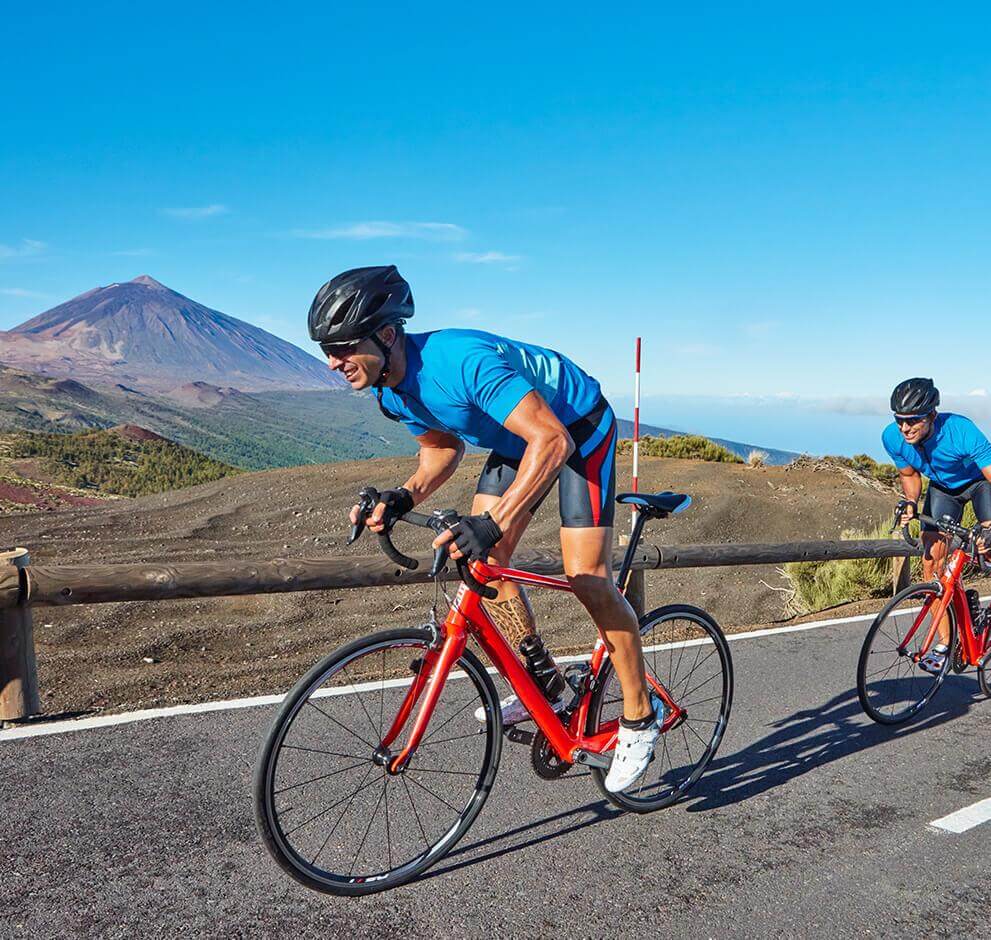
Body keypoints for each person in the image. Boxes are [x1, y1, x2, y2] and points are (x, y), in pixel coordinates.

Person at [309, 264, 662, 792]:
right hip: (519, 437)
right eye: (325, 351)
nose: (333, 362)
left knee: (586, 576)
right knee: (483, 563)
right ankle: (546, 682)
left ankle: (639, 715)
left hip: (577, 429)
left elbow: (553, 442)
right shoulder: (388, 389)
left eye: (341, 348)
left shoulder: (460, 362)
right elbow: (442, 449)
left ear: (385, 335)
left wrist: (494, 521)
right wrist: (404, 494)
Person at [882, 377, 991, 673]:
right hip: (943, 489)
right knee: (932, 566)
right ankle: (946, 643)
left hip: (981, 484)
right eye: (900, 420)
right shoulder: (892, 438)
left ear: (931, 414)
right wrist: (911, 502)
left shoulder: (961, 430)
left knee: (988, 547)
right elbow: (910, 475)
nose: (905, 428)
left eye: (913, 420)